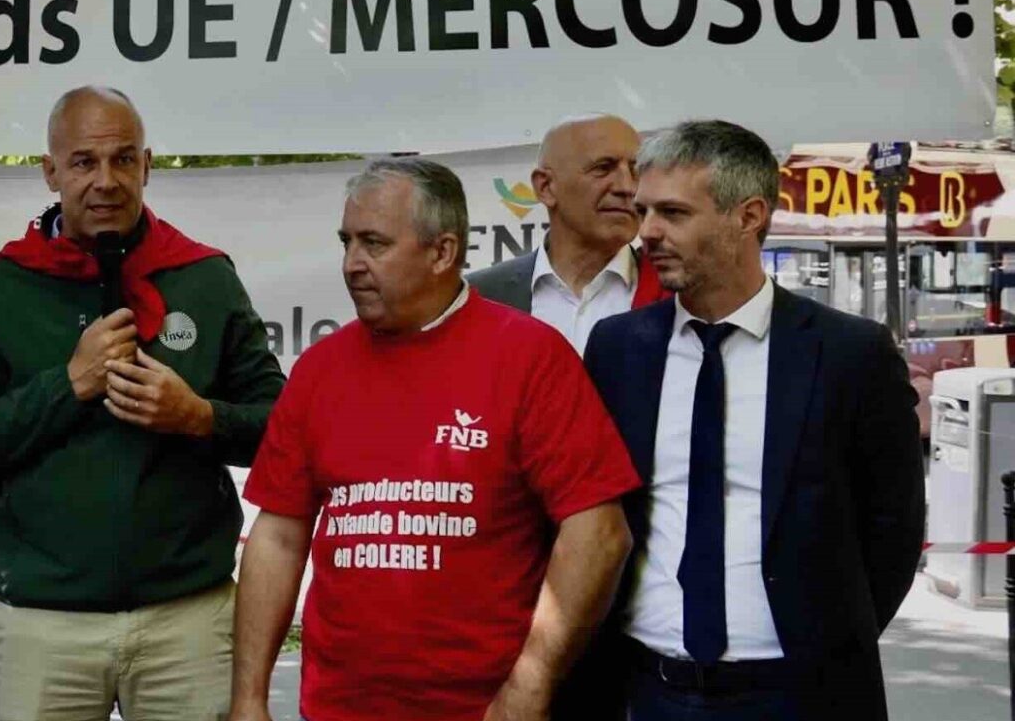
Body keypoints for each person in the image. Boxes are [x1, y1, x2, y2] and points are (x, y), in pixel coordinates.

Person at [231, 159, 640, 721]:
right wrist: (249, 698)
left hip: (483, 708)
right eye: (346, 242)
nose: (352, 264)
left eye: (374, 243)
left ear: (443, 252)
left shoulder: (528, 357)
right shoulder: (320, 369)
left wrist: (530, 686)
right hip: (335, 708)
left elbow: (599, 534)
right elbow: (277, 536)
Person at [0, 86, 286, 721]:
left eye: (124, 160)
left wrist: (199, 418)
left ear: (147, 166)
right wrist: (68, 385)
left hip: (190, 621)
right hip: (43, 627)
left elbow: (283, 430)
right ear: (51, 172)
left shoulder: (205, 277)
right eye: (84, 162)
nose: (107, 181)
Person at [576, 121, 925, 721]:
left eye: (674, 213)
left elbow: (892, 528)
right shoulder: (617, 348)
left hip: (801, 695)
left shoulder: (849, 354)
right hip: (648, 688)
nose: (648, 233)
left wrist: (830, 641)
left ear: (750, 216)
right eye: (645, 212)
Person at [468, 113, 665, 350]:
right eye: (603, 168)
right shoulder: (477, 296)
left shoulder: (678, 291)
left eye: (636, 172)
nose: (627, 187)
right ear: (546, 187)